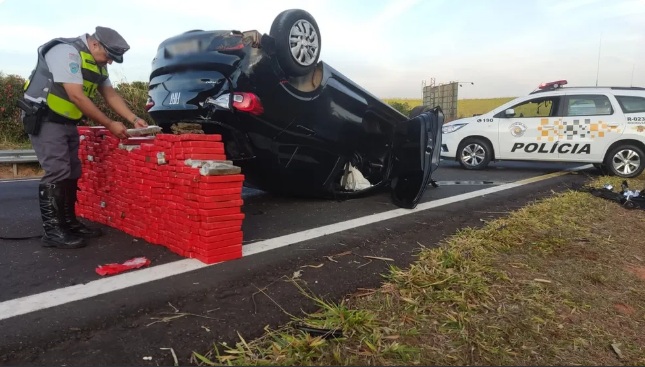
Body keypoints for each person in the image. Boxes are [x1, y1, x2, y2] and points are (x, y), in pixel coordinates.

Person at [20, 26, 149, 249]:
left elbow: (110, 94)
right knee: (58, 171)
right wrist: (109, 124)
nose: (109, 62)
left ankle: (69, 223)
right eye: (108, 56)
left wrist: (133, 118)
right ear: (95, 44)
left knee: (72, 170)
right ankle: (53, 231)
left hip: (66, 119)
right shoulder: (66, 51)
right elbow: (76, 96)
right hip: (44, 117)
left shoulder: (97, 63)